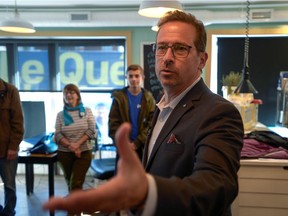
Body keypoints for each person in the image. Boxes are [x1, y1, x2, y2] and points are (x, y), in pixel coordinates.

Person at [43, 11, 244, 216]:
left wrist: (146, 193)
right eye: (162, 48)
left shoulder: (219, 112)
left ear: (202, 60)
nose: (167, 58)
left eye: (180, 49)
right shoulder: (162, 105)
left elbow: (216, 187)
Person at [54, 84, 96, 215]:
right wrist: (71, 146)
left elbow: (91, 130)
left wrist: (77, 144)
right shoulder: (60, 115)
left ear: (78, 95)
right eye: (66, 93)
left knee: (76, 182)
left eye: (72, 92)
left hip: (83, 152)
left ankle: (72, 212)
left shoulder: (87, 111)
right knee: (70, 182)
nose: (69, 95)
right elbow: (57, 134)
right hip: (65, 153)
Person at [109, 64, 155, 159]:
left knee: (141, 174)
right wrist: (122, 144)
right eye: (130, 76)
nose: (134, 79)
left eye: (137, 76)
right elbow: (113, 125)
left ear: (142, 77)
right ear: (127, 78)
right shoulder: (118, 99)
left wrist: (136, 143)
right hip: (123, 148)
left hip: (142, 147)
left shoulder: (149, 99)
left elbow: (152, 124)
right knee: (122, 173)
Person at [0, 78, 24, 216]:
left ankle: (9, 212)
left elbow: (18, 123)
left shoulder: (10, 91)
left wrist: (13, 147)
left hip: (6, 149)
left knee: (9, 186)